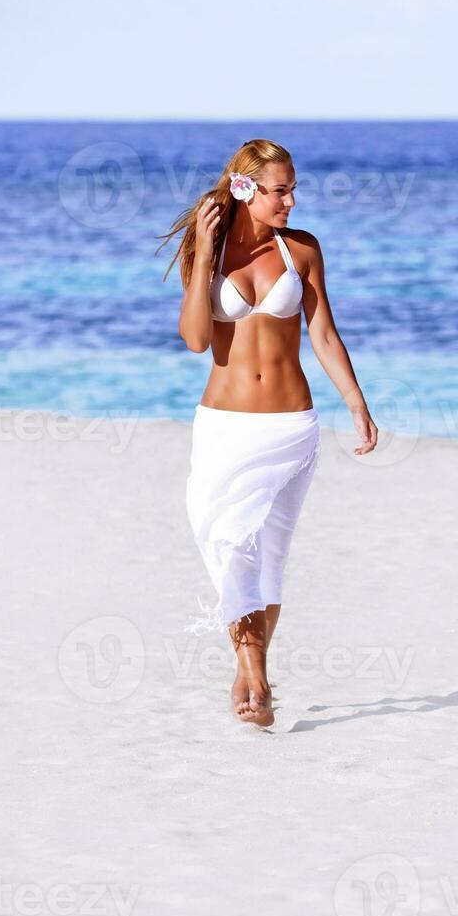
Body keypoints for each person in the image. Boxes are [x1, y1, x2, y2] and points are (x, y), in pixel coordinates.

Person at [159, 139, 378, 727]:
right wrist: (205, 252)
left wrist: (356, 403)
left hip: (290, 427)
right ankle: (254, 675)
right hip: (225, 429)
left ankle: (252, 676)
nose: (291, 199)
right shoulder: (207, 252)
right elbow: (197, 339)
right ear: (244, 189)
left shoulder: (302, 249)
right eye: (280, 190)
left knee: (269, 559)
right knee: (230, 547)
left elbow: (324, 335)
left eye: (292, 188)